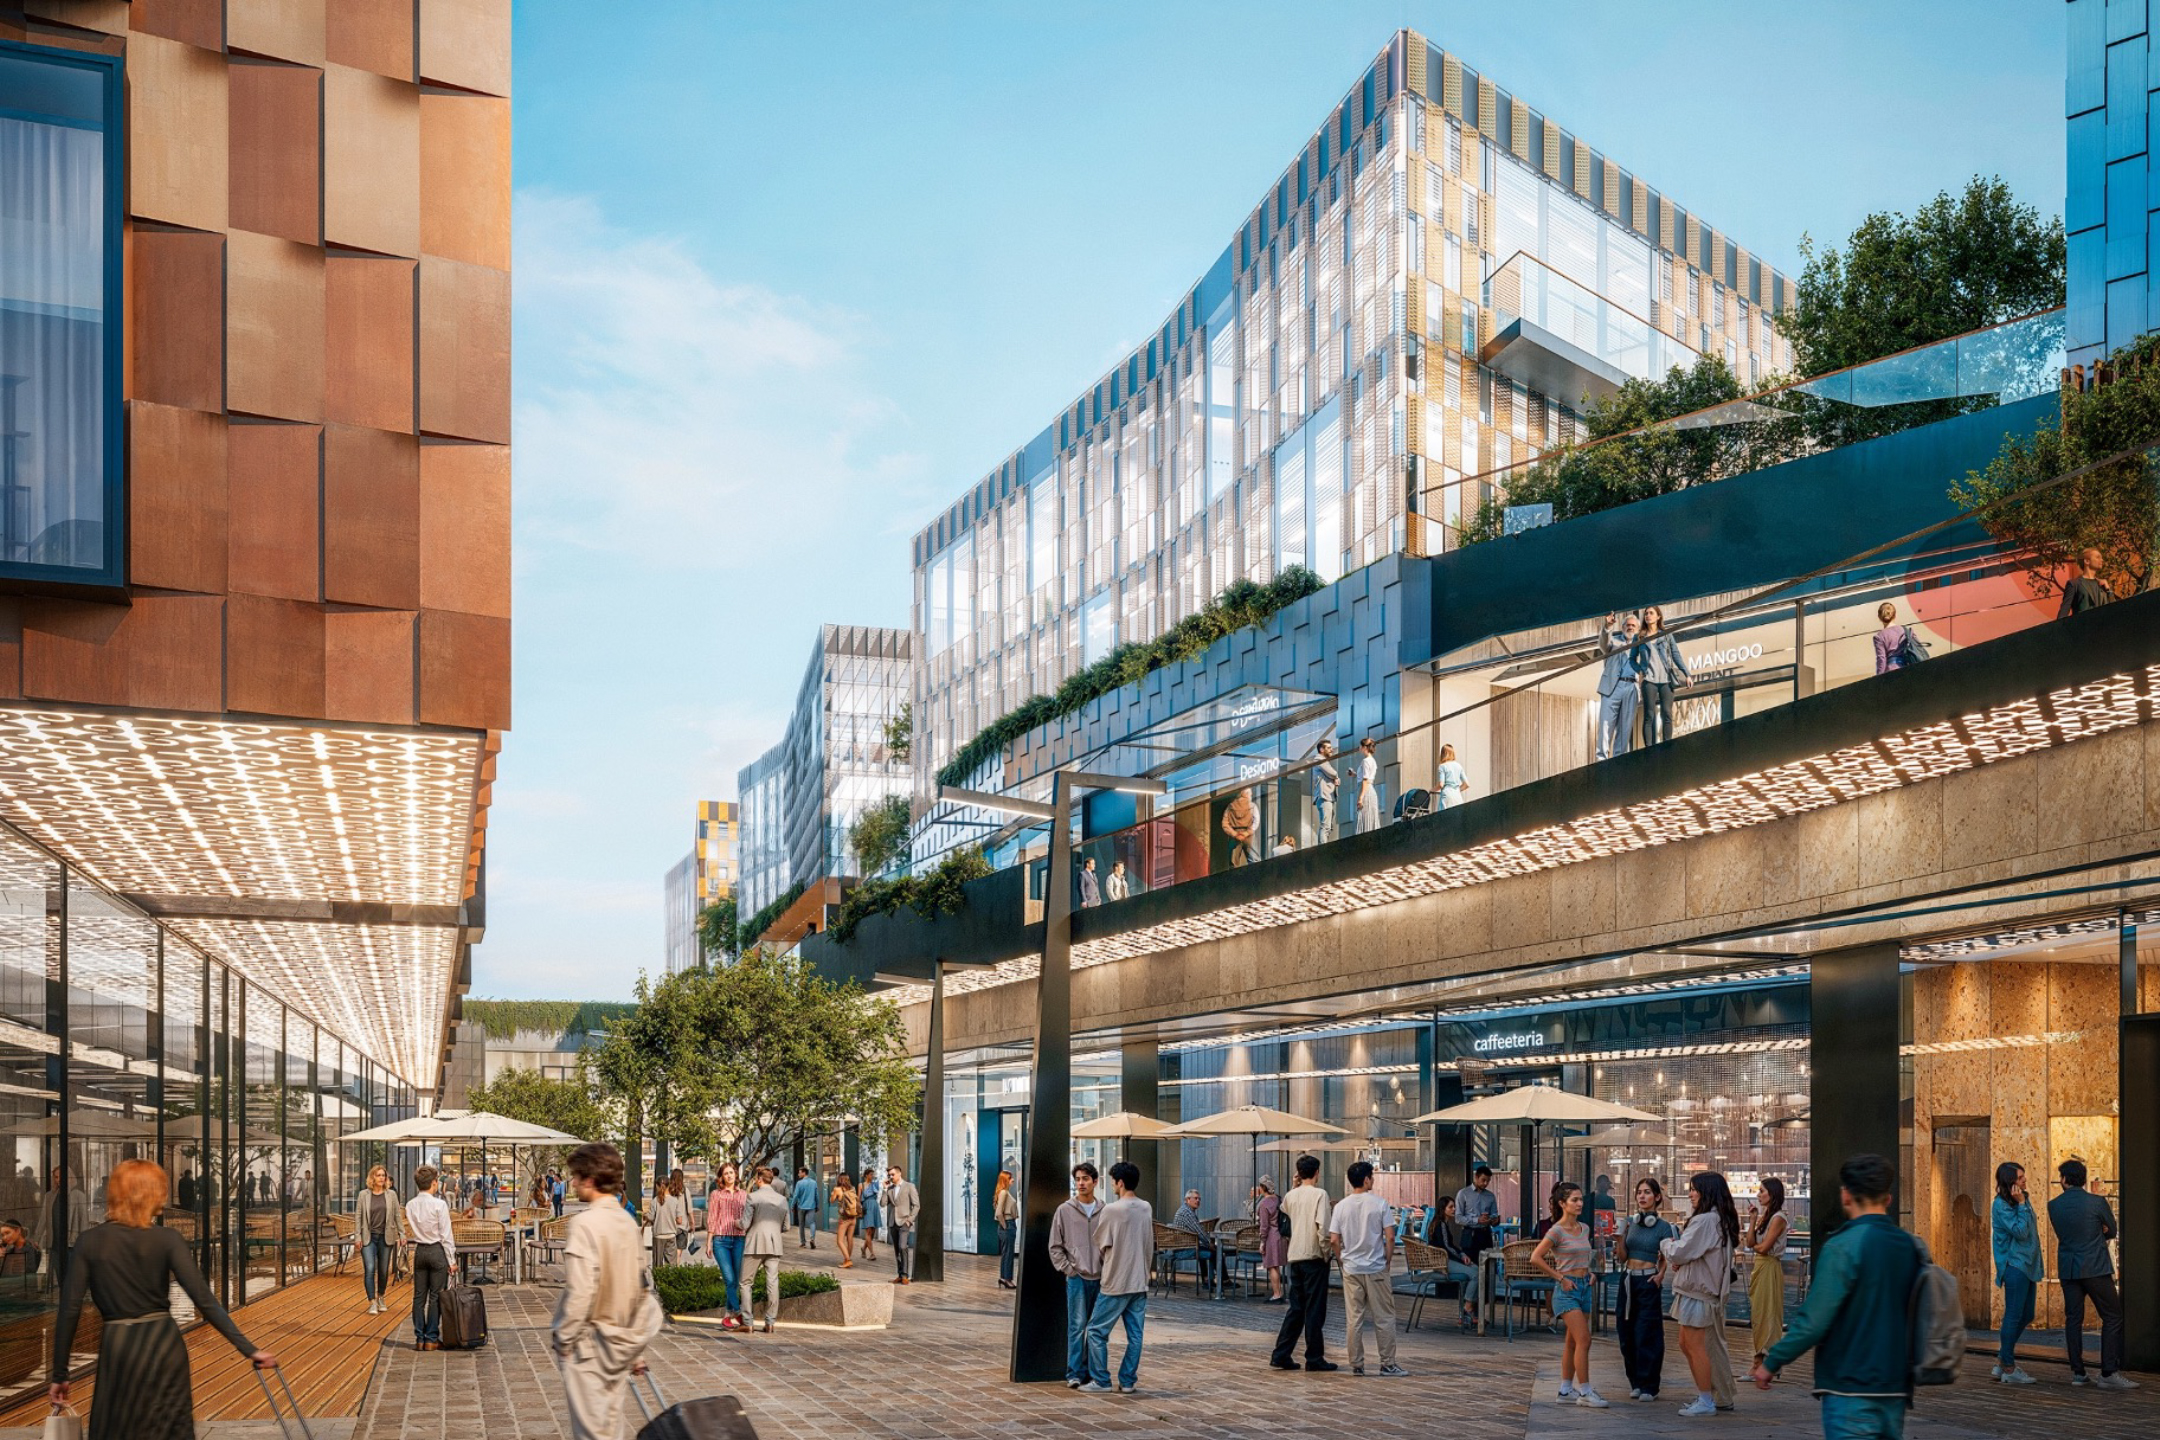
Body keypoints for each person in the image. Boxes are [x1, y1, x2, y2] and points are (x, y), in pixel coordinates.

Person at [48, 1159, 278, 1440]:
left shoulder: (90, 1241)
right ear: (149, 1193)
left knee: (117, 1429)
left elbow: (69, 1310)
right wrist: (250, 1350)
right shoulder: (167, 1239)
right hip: (163, 1346)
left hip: (119, 1347)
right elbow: (205, 1301)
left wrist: (60, 1374)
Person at [1755, 1153, 1923, 1439]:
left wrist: (1773, 1360)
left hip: (1849, 1382)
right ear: (1888, 1199)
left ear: (1846, 1195)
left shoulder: (1843, 1245)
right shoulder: (1909, 1245)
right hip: (1895, 1382)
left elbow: (1815, 1319)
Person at [551, 1142, 661, 1440]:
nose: (572, 1183)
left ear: (589, 1180)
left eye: (576, 1177)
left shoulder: (585, 1224)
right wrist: (636, 1352)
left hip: (589, 1347)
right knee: (610, 1427)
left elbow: (581, 1290)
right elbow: (641, 1286)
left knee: (592, 1433)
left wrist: (564, 1336)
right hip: (621, 1343)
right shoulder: (626, 1222)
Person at [1660, 1170, 1740, 1417]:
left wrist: (1666, 1243)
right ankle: (1713, 1395)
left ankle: (1707, 1399)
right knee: (1690, 1344)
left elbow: (1680, 1251)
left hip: (1699, 1291)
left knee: (1695, 1346)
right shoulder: (1717, 1219)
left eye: (1695, 1189)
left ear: (1707, 1192)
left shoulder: (1705, 1220)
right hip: (1698, 1289)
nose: (1691, 1194)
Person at [2048, 1157, 2132, 1388]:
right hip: (2095, 1266)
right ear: (2084, 1180)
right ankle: (2108, 1373)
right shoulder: (2097, 1203)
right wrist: (2098, 1235)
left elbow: (2064, 1234)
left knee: (2073, 1319)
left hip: (2068, 1268)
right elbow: (2112, 1230)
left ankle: (2078, 1372)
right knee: (2112, 1316)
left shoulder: (2053, 1205)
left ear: (2063, 1180)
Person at [1328, 1160, 1408, 1378]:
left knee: (1354, 1318)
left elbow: (1334, 1239)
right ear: (1366, 1179)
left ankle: (1357, 1364)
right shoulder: (1380, 1204)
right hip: (1375, 1267)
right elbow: (1390, 1236)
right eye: (1371, 1176)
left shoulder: (1341, 1206)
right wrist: (1388, 1259)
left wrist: (1341, 1259)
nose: (1373, 1180)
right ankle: (1387, 1363)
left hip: (1351, 1268)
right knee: (1384, 1317)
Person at [1531, 1180, 1607, 1405]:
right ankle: (1585, 1391)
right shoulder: (1556, 1231)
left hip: (1584, 1285)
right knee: (1584, 1339)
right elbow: (1535, 1257)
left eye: (1581, 1199)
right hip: (1566, 1290)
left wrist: (1591, 1272)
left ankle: (1565, 1390)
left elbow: (1586, 1254)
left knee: (1573, 1341)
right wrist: (1560, 1278)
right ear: (1562, 1203)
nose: (1579, 1203)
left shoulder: (1584, 1228)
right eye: (1574, 1200)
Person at [1079, 1160, 1151, 1394]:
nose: (1112, 1185)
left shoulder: (1111, 1210)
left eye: (1113, 1181)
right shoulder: (1146, 1208)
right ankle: (1128, 1380)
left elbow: (1101, 1242)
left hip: (1115, 1281)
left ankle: (1101, 1380)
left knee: (1097, 1331)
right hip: (1139, 1280)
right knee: (1135, 1335)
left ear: (1120, 1183)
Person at [1268, 1154, 1335, 1371]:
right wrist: (1327, 1254)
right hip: (1314, 1256)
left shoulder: (1290, 1195)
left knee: (1296, 1308)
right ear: (1317, 1172)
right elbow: (1323, 1229)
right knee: (1315, 1309)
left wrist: (1295, 1185)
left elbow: (1286, 1216)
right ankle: (1314, 1357)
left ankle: (1281, 1353)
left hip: (1294, 1256)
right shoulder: (1320, 1194)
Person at [1617, 1176, 1677, 1402]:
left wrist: (1660, 1275)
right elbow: (1623, 1257)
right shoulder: (1631, 1224)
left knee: (1647, 1333)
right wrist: (1619, 1239)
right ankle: (1635, 1381)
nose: (1642, 1196)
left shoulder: (1663, 1227)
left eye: (1647, 1192)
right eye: (1639, 1192)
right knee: (1626, 1332)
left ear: (1657, 1197)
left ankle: (1649, 1385)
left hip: (1648, 1281)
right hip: (1628, 1279)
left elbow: (1667, 1255)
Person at [1050, 1161, 1104, 1389]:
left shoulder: (1106, 1211)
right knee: (1077, 1326)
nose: (1081, 1183)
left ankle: (1092, 1373)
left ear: (1095, 1181)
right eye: (1078, 1179)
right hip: (1077, 1278)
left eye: (1085, 1179)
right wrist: (1069, 1269)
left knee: (1096, 1329)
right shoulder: (1064, 1210)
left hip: (1101, 1279)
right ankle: (1074, 1373)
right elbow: (1055, 1245)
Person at [1989, 1161, 2038, 1385]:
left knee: (2027, 1314)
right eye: (2020, 1178)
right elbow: (2020, 1231)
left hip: (2027, 1265)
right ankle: (2008, 1367)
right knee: (2013, 1315)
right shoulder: (2001, 1205)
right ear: (2010, 1182)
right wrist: (2021, 1204)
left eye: (2023, 1176)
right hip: (2014, 1265)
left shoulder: (2020, 1201)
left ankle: (2002, 1360)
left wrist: (2022, 1203)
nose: (2024, 1180)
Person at [406, 1164, 456, 1352]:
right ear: (434, 1183)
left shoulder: (411, 1205)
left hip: (420, 1251)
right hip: (436, 1251)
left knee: (419, 1297)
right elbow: (446, 1235)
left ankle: (419, 1337)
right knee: (435, 1297)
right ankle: (431, 1338)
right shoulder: (439, 1205)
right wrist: (451, 1260)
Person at [1744, 1177, 1789, 1367]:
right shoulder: (1766, 1217)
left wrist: (1756, 1246)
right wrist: (1753, 1219)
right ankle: (1760, 1360)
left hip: (1769, 1265)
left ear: (1772, 1193)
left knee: (1767, 1313)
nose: (1758, 1194)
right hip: (1761, 1265)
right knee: (1758, 1312)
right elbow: (1750, 1242)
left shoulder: (1779, 1218)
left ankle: (1764, 1362)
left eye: (1762, 1191)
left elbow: (1763, 1247)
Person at [354, 1163, 406, 1317]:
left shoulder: (391, 1195)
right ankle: (372, 1302)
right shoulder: (363, 1195)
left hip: (386, 1238)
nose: (382, 1178)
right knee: (370, 1269)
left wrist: (402, 1234)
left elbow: (397, 1215)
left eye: (383, 1175)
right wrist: (357, 1236)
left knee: (383, 1271)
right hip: (368, 1238)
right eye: (379, 1175)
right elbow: (358, 1216)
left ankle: (381, 1297)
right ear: (372, 1177)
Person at [1421, 1195, 1480, 1327]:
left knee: (1476, 1270)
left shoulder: (1439, 1223)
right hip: (1443, 1262)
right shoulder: (1441, 1224)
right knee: (1476, 1273)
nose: (1454, 1209)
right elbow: (1446, 1247)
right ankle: (1467, 1308)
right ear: (1443, 1209)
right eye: (1451, 1207)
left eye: (1454, 1206)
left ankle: (1465, 1312)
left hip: (1443, 1260)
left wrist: (1461, 1254)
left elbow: (1449, 1245)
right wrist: (1461, 1256)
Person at [743, 1166, 789, 1333]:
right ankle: (770, 1322)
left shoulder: (752, 1197)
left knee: (746, 1283)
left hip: (754, 1243)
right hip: (775, 1244)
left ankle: (748, 1322)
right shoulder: (782, 1200)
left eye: (756, 1179)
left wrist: (736, 1223)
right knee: (772, 1283)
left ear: (759, 1180)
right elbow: (786, 1226)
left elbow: (744, 1224)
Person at [1637, 605, 1692, 744]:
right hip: (1649, 681)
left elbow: (1676, 655)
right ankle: (1649, 749)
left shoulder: (1667, 635)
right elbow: (1631, 659)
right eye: (1646, 614)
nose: (1648, 616)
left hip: (1666, 681)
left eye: (1651, 613)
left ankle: (1667, 746)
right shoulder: (1640, 637)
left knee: (1667, 713)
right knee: (1649, 715)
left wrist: (1687, 674)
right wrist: (1641, 669)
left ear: (1658, 616)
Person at [704, 1162, 749, 1330]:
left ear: (736, 1175)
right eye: (726, 1173)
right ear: (721, 1177)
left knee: (735, 1281)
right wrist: (708, 1242)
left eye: (731, 1172)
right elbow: (712, 1217)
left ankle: (727, 1317)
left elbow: (748, 1217)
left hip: (739, 1239)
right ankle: (737, 1312)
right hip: (720, 1240)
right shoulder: (716, 1194)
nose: (729, 1175)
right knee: (729, 1279)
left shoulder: (744, 1195)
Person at [1597, 611, 1643, 759]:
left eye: (1633, 626)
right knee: (1605, 726)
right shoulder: (1614, 642)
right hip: (1612, 687)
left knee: (1625, 728)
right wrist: (1608, 626)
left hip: (1632, 686)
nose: (1630, 628)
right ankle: (1601, 760)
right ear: (1622, 627)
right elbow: (1604, 644)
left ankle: (1619, 761)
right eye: (1628, 625)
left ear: (1638, 628)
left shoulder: (1642, 646)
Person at [1453, 1165, 1500, 1270]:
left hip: (1485, 1234)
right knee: (1470, 1267)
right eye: (1483, 1180)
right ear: (1476, 1177)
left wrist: (1493, 1220)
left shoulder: (1490, 1196)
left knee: (1488, 1267)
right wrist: (1477, 1220)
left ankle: (1487, 1286)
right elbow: (1458, 1218)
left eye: (1488, 1181)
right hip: (1470, 1234)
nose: (1485, 1183)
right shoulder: (1463, 1194)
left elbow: (1494, 1214)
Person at [1171, 1188, 1213, 1290]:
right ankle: (1220, 1281)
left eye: (1199, 1199)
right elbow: (1199, 1232)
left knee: (1205, 1249)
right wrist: (1209, 1244)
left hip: (1183, 1247)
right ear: (1187, 1200)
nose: (1198, 1201)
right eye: (1195, 1198)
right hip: (1183, 1250)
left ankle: (1207, 1280)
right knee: (1214, 1253)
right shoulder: (1187, 1212)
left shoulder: (1186, 1210)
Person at [884, 1164, 920, 1284]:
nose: (891, 1177)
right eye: (889, 1175)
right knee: (896, 1249)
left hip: (905, 1221)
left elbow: (916, 1205)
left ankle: (905, 1275)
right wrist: (884, 1189)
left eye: (893, 1174)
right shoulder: (889, 1189)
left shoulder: (909, 1186)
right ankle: (900, 1274)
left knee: (902, 1246)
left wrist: (910, 1220)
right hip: (892, 1222)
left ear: (899, 1174)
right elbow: (883, 1204)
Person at [2059, 546, 2117, 617]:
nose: (2102, 560)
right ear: (2087, 561)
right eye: (2098, 557)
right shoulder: (2074, 584)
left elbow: (2114, 610)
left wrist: (2109, 590)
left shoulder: (2102, 585)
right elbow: (2063, 613)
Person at [1253, 1178, 1286, 1303]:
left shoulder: (1264, 1204)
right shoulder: (1279, 1199)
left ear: (1262, 1188)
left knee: (1271, 1266)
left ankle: (1277, 1294)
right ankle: (1279, 1292)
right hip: (1281, 1235)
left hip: (1271, 1237)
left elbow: (1264, 1226)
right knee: (1276, 1265)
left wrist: (1262, 1242)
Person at [652, 1172, 689, 1268]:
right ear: (669, 1186)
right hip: (671, 1235)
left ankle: (658, 1283)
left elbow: (651, 1217)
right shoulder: (674, 1201)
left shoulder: (655, 1201)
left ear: (657, 1186)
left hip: (658, 1236)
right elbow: (679, 1220)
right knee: (671, 1265)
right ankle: (670, 1283)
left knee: (657, 1265)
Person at [993, 1169, 1021, 1289]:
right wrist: (1005, 1226)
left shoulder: (1002, 1192)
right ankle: (1007, 1279)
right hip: (1008, 1224)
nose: (1013, 1180)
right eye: (1010, 1178)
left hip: (1007, 1225)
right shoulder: (1004, 1193)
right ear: (1006, 1180)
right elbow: (999, 1213)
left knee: (1006, 1253)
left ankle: (1004, 1277)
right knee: (1009, 1254)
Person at [1312, 738, 1340, 842]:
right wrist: (1336, 777)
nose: (1331, 750)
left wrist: (1335, 778)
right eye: (1328, 748)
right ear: (1321, 749)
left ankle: (1324, 846)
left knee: (1327, 825)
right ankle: (1323, 848)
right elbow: (1332, 773)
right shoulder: (1319, 760)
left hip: (1327, 796)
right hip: (1324, 796)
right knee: (1325, 826)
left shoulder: (1323, 761)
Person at [1873, 602, 1912, 675]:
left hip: (1892, 673)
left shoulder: (1879, 637)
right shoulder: (1906, 631)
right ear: (1895, 616)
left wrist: (1878, 679)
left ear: (1879, 617)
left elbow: (1881, 659)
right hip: (1908, 669)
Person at [1221, 787, 1258, 865]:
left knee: (1233, 863)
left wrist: (1235, 834)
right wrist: (1247, 833)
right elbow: (1256, 821)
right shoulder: (1253, 806)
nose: (1251, 795)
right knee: (1254, 861)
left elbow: (1225, 823)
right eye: (1250, 793)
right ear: (1246, 794)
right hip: (1249, 837)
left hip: (1234, 837)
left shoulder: (1230, 806)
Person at [834, 1171, 861, 1269]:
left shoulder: (837, 1189)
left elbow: (831, 1200)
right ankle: (847, 1259)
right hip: (853, 1218)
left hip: (844, 1218)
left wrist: (834, 1196)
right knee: (850, 1239)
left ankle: (848, 1260)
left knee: (839, 1241)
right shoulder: (853, 1189)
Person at [1354, 737, 1381, 832]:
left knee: (1364, 817)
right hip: (1369, 789)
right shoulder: (1372, 760)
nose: (1359, 748)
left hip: (1366, 790)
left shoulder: (1365, 761)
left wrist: (1360, 797)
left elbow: (1365, 779)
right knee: (1369, 817)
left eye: (1360, 746)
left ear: (1364, 747)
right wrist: (1355, 774)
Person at [790, 1166, 819, 1250]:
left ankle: (803, 1243)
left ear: (804, 1173)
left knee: (801, 1224)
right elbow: (816, 1195)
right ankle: (812, 1239)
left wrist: (792, 1205)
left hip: (801, 1206)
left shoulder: (799, 1183)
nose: (798, 1174)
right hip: (811, 1206)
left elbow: (795, 1196)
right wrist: (817, 1205)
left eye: (799, 1172)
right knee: (812, 1223)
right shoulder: (814, 1183)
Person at [1433, 743, 1470, 809]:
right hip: (1457, 796)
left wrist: (1432, 790)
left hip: (1447, 795)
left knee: (1444, 817)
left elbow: (1441, 784)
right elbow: (1466, 784)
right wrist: (1457, 789)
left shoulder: (1442, 766)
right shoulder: (1458, 766)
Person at [858, 1168, 881, 1263]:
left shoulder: (875, 1184)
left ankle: (863, 1248)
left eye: (873, 1174)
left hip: (874, 1206)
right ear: (866, 1175)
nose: (872, 1176)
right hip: (866, 1207)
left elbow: (882, 1186)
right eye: (871, 1174)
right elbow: (858, 1198)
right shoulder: (861, 1185)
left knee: (873, 1231)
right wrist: (859, 1209)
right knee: (868, 1230)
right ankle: (872, 1253)